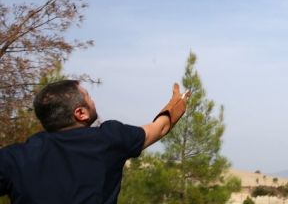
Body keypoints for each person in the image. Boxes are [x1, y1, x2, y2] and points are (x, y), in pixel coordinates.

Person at [0, 79, 190, 203]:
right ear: (80, 113)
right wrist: (177, 103)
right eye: (88, 96)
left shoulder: (13, 158)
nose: (93, 100)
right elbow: (159, 128)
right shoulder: (109, 139)